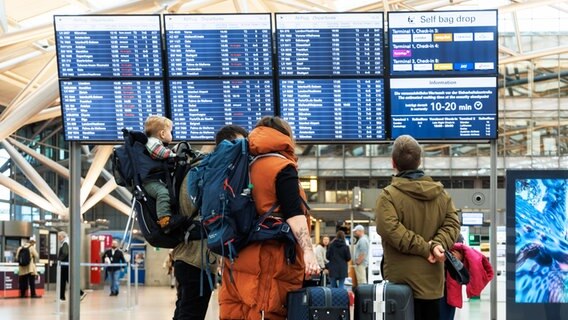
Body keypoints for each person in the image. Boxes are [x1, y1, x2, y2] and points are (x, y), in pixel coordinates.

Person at [219, 116, 320, 320]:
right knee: (266, 309)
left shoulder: (241, 163)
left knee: (238, 310)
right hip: (269, 257)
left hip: (237, 253)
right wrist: (309, 251)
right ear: (286, 137)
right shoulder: (282, 168)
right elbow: (294, 214)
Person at [375, 135, 460, 320]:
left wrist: (425, 248)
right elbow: (453, 222)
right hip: (432, 286)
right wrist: (437, 245)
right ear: (419, 161)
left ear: (393, 163)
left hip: (400, 285)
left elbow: (390, 229)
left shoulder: (389, 196)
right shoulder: (441, 194)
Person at [172, 124, 248, 320]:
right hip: (196, 258)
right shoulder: (206, 173)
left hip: (187, 255)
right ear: (227, 144)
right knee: (190, 314)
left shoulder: (196, 169)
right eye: (238, 143)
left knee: (184, 311)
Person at [143, 115, 185, 233]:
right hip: (149, 182)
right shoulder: (152, 142)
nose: (171, 134)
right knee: (163, 193)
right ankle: (164, 220)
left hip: (154, 180)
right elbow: (159, 153)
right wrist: (174, 155)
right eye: (170, 132)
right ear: (162, 134)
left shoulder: (156, 143)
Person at [440, 241, 494, 320]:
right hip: (442, 284)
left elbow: (464, 264)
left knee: (446, 312)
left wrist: (458, 259)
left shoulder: (456, 241)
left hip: (448, 286)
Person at [57, 231, 87, 301]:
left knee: (66, 281)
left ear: (63, 236)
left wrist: (59, 259)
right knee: (65, 281)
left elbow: (65, 253)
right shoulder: (66, 242)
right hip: (66, 265)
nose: (58, 238)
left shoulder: (65, 243)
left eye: (59, 236)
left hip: (65, 265)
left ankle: (80, 293)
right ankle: (62, 297)